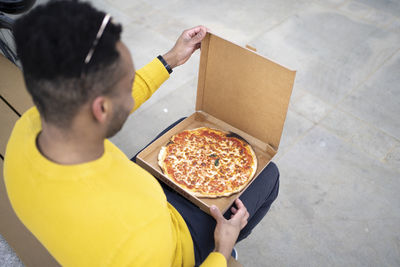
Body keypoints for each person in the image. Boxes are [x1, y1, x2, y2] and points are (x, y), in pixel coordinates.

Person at [4, 1, 279, 266]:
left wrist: (170, 59)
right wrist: (222, 248)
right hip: (172, 240)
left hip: (134, 203)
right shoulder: (138, 241)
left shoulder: (28, 129)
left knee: (185, 124)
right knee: (269, 174)